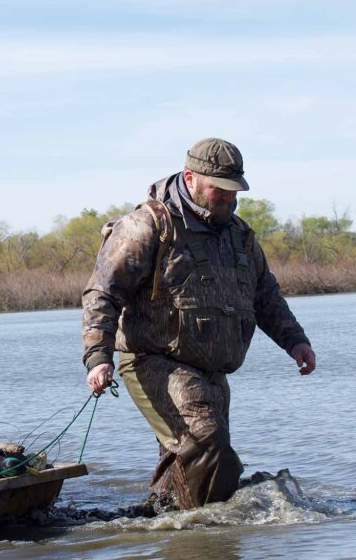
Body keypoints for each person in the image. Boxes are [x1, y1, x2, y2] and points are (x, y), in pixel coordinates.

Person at [82, 137, 316, 513]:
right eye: (218, 190)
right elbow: (101, 294)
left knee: (183, 465)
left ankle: (180, 546)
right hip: (153, 360)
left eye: (233, 192)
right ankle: (216, 527)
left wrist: (295, 342)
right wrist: (98, 357)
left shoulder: (240, 235)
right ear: (190, 178)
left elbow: (265, 296)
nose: (227, 198)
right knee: (208, 442)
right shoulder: (147, 226)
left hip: (212, 370)